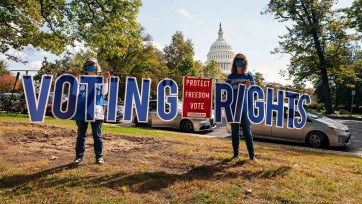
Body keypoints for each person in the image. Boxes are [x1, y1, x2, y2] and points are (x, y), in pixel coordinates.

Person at [72, 57, 109, 166]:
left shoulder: (101, 79)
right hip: (82, 109)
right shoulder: (81, 79)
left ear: (96, 66)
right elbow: (75, 92)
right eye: (88, 64)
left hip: (96, 110)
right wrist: (76, 79)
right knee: (81, 135)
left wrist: (106, 80)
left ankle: (99, 157)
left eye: (92, 64)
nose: (90, 65)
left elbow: (104, 93)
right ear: (85, 66)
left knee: (97, 135)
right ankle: (79, 157)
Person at [226, 53, 256, 161]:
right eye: (237, 59)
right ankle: (235, 154)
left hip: (244, 108)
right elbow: (226, 91)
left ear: (245, 62)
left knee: (247, 132)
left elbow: (254, 91)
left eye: (241, 59)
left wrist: (249, 86)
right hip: (233, 108)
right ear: (234, 62)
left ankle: (252, 156)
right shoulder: (230, 77)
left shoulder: (248, 76)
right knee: (235, 132)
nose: (239, 61)